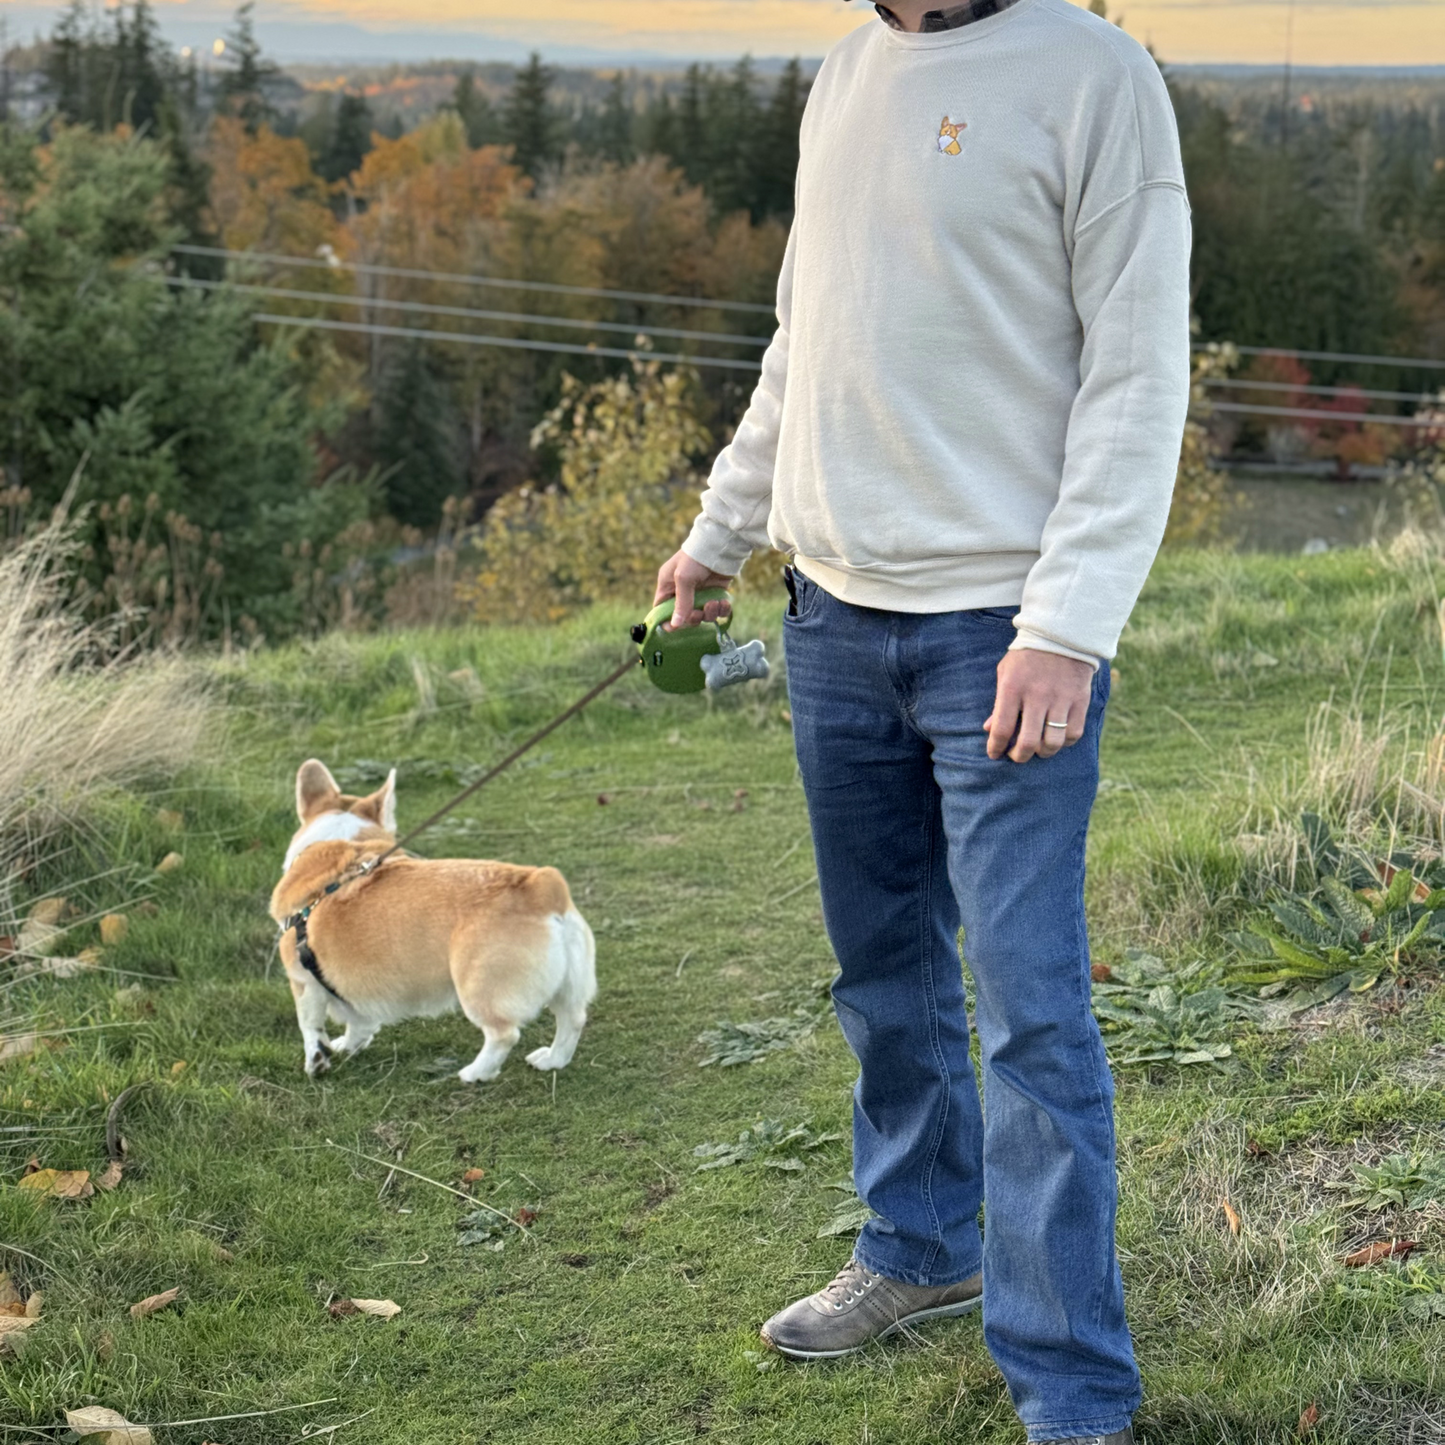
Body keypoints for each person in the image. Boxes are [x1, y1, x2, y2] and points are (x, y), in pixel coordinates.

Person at [653, 0, 1191, 1440]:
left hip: (1000, 639)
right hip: (830, 621)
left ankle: (1072, 1391)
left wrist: (1067, 626)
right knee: (884, 976)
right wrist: (718, 536)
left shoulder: (1096, 77)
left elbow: (1140, 378)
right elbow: (800, 340)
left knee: (1029, 1014)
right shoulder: (849, 69)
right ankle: (920, 1249)